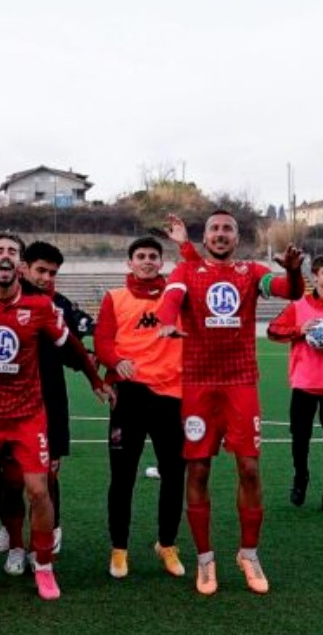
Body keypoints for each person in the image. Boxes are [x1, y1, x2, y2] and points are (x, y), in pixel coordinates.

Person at [0, 233, 109, 600]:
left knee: (39, 490)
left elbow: (74, 347)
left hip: (27, 416)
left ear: (19, 265)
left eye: (12, 252)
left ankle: (45, 566)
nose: (5, 257)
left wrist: (96, 380)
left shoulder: (41, 309)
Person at [157, 209, 303, 595]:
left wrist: (291, 271)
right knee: (199, 471)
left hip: (240, 383)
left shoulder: (251, 272)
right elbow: (169, 300)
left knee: (250, 469)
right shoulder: (186, 271)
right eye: (215, 229)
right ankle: (206, 561)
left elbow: (290, 291)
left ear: (236, 238)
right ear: (204, 238)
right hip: (199, 385)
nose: (221, 234)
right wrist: (167, 322)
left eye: (228, 229)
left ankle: (249, 554)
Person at [0, 240, 95, 571]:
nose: (47, 277)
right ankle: (12, 529)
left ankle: (47, 535)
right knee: (1, 476)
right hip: (2, 404)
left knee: (46, 475)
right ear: (23, 268)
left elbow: (77, 343)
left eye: (52, 272)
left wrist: (93, 361)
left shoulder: (58, 306)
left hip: (49, 402)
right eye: (41, 270)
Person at [96, 236, 186, 579]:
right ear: (129, 262)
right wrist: (116, 361)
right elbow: (103, 341)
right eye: (141, 256)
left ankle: (167, 544)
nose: (147, 261)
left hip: (170, 395)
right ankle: (119, 549)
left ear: (161, 262)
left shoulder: (176, 297)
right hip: (129, 396)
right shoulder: (114, 298)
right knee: (123, 477)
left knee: (174, 474)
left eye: (153, 256)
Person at [268, 255, 323, 508]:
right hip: (304, 383)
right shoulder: (299, 305)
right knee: (300, 438)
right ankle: (301, 476)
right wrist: (300, 330)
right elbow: (272, 330)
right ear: (316, 275)